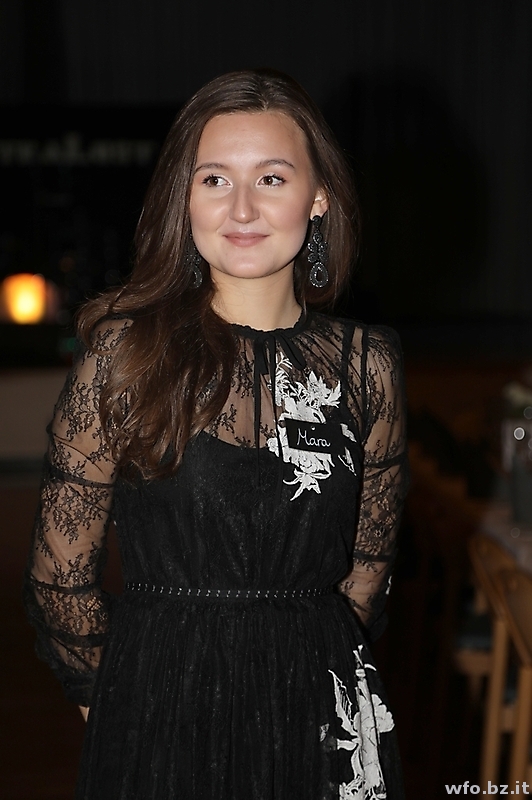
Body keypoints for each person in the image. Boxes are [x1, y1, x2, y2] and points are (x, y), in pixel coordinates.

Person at [24, 68, 408, 799]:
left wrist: (305, 671)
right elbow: (60, 575)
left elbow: (368, 568)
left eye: (271, 178)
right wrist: (119, 703)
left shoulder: (368, 365)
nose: (241, 208)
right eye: (214, 180)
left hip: (318, 714)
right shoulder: (124, 354)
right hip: (157, 705)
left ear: (318, 196)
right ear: (186, 197)